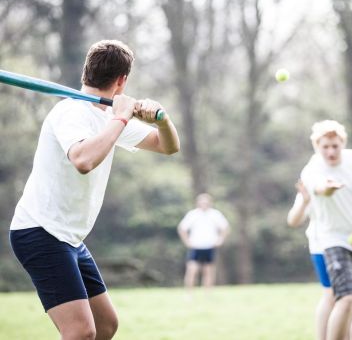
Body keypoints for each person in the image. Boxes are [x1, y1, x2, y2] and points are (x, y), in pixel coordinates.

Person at [9, 39, 180, 340]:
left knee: (105, 326)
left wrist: (161, 119)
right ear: (122, 80)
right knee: (80, 331)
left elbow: (167, 146)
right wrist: (122, 117)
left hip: (70, 238)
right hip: (40, 231)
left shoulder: (108, 117)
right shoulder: (70, 112)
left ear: (87, 71)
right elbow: (83, 159)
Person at [299, 120, 352, 340]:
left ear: (343, 142)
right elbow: (319, 189)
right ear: (317, 146)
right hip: (332, 239)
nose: (331, 151)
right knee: (346, 298)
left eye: (335, 145)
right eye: (325, 146)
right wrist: (327, 188)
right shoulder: (312, 169)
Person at [288, 180, 346, 340]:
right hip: (323, 246)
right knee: (332, 295)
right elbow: (293, 220)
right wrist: (305, 201)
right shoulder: (312, 180)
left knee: (349, 299)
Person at [177, 193, 229, 288]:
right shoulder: (193, 214)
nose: (204, 204)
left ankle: (207, 294)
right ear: (198, 203)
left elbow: (225, 227)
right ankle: (189, 294)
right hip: (196, 246)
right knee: (192, 270)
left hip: (209, 246)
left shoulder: (215, 214)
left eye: (206, 202)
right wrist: (187, 242)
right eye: (202, 202)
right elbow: (182, 229)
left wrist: (220, 240)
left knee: (208, 271)